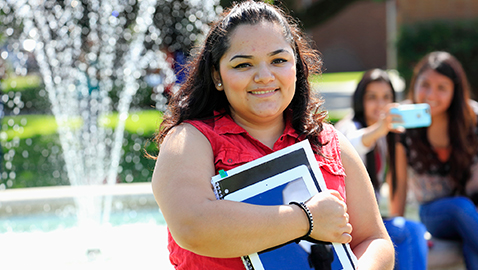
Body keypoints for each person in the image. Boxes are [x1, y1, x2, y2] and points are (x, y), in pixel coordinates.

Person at [151, 1, 394, 269]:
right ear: (217, 75)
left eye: (278, 60)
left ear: (297, 67)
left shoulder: (330, 142)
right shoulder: (189, 140)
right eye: (243, 65)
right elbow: (192, 226)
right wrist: (307, 219)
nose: (264, 76)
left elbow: (374, 238)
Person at [389, 51, 478, 269]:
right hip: (433, 211)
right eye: (425, 84)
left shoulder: (471, 119)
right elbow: (399, 185)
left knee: (471, 245)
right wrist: (394, 233)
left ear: (455, 91)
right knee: (460, 207)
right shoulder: (403, 123)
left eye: (442, 88)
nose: (431, 94)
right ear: (415, 84)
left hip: (473, 208)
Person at [335, 69, 428, 270]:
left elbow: (398, 182)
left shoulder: (386, 135)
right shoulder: (349, 127)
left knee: (411, 231)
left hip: (366, 222)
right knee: (412, 230)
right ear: (361, 100)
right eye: (372, 97)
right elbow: (351, 144)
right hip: (347, 224)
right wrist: (380, 129)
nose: (380, 104)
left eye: (386, 97)